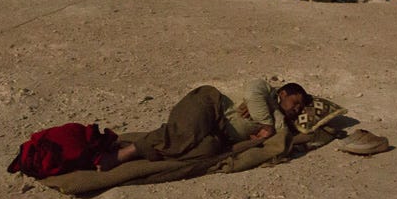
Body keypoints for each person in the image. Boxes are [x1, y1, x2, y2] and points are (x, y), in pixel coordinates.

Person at [97, 80, 311, 171]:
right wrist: (266, 124)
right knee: (185, 132)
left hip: (219, 134)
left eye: (301, 108)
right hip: (210, 104)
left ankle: (147, 151)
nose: (298, 109)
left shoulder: (280, 120)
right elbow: (252, 91)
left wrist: (263, 137)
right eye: (297, 102)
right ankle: (125, 153)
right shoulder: (265, 90)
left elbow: (279, 139)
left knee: (206, 151)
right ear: (283, 93)